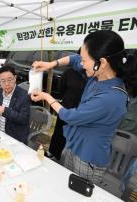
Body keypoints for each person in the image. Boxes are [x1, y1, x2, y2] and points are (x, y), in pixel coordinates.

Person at [31, 30, 137, 185]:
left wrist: (47, 96)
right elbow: (74, 59)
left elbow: (70, 116)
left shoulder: (111, 97)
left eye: (84, 60)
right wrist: (51, 64)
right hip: (73, 144)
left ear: (103, 62)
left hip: (88, 158)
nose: (81, 63)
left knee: (77, 194)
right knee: (64, 184)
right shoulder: (98, 75)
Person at [0, 66, 30, 143]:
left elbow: (23, 119)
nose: (7, 84)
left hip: (14, 137)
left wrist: (4, 110)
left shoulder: (24, 95)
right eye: (3, 81)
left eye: (10, 80)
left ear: (15, 78)